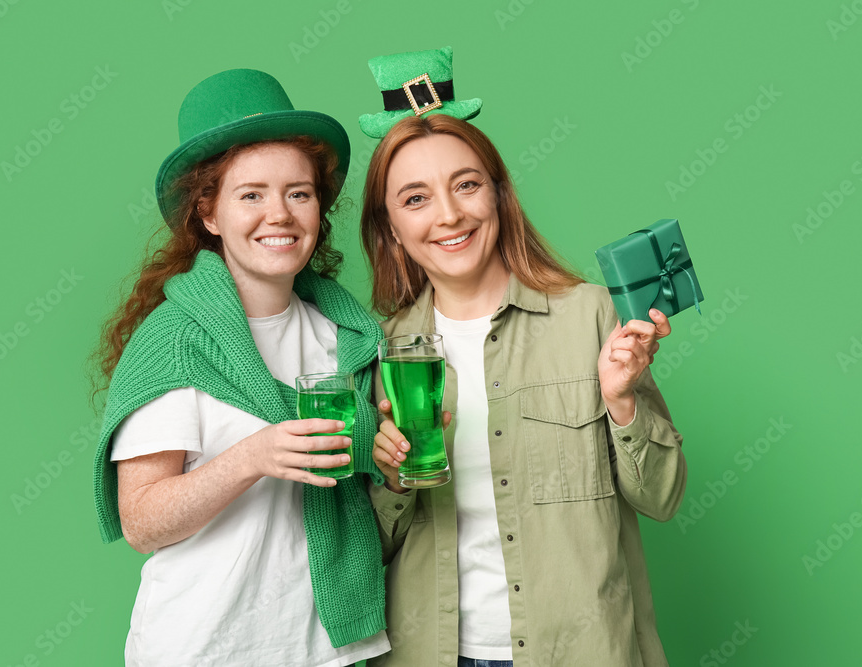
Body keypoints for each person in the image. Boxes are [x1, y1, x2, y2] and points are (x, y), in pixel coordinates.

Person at [358, 48, 687, 667]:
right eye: (416, 198)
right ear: (390, 227)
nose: (449, 215)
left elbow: (663, 498)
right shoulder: (381, 352)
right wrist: (395, 480)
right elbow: (361, 553)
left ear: (499, 196)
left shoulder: (591, 316)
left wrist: (621, 402)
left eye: (466, 185)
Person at [90, 68, 390, 666]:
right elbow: (141, 522)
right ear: (209, 214)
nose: (279, 214)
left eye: (298, 193)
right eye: (251, 195)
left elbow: (363, 480)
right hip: (205, 648)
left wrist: (388, 456)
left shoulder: (348, 336)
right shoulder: (175, 342)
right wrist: (252, 458)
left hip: (324, 648)